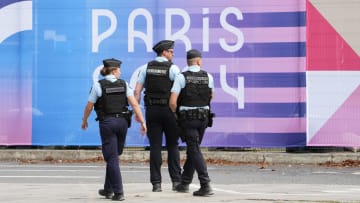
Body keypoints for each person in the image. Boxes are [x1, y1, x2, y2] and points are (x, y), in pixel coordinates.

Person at [81, 58, 147, 201]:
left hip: (108, 123)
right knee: (114, 155)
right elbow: (135, 105)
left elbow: (89, 106)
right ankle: (108, 189)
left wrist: (84, 119)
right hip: (123, 122)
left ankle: (119, 192)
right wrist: (142, 121)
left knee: (112, 157)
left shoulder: (98, 86)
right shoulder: (124, 84)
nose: (120, 72)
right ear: (114, 70)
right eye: (119, 70)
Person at [134, 40, 182, 192]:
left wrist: (137, 113)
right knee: (173, 146)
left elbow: (137, 91)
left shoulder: (146, 67)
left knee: (155, 146)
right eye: (171, 52)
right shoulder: (173, 68)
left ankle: (156, 183)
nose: (173, 55)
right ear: (164, 52)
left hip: (152, 111)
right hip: (169, 111)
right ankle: (176, 181)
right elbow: (179, 90)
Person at [169, 49, 215, 196]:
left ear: (187, 62)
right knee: (193, 149)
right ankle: (185, 183)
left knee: (194, 149)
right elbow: (211, 96)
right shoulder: (208, 76)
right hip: (203, 118)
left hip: (188, 118)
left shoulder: (181, 77)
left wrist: (177, 114)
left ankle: (205, 183)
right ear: (199, 61)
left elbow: (172, 102)